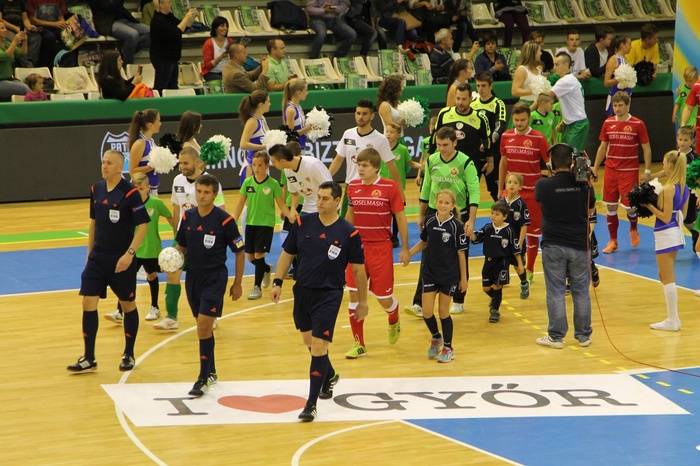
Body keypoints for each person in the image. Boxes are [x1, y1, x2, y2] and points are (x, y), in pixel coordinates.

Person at [270, 181, 367, 422]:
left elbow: (358, 270)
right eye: (318, 197)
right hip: (302, 292)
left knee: (319, 346)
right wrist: (277, 282)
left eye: (325, 198)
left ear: (337, 201)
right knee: (310, 342)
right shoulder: (303, 223)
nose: (319, 202)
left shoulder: (349, 232)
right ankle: (330, 374)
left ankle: (311, 404)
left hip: (329, 294)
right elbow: (287, 254)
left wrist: (362, 301)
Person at [67, 150, 149, 373]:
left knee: (127, 304)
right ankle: (89, 357)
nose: (104, 166)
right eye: (103, 162)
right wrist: (89, 252)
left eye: (109, 163)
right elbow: (93, 222)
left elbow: (143, 226)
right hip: (98, 258)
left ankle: (129, 354)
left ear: (120, 167)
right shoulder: (96, 189)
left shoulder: (130, 193)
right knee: (88, 302)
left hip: (121, 259)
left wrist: (129, 254)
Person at [175, 173, 245, 396]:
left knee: (204, 326)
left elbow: (240, 252)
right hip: (192, 278)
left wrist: (238, 283)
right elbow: (181, 247)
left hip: (214, 278)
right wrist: (171, 260)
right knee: (202, 327)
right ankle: (211, 370)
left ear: (215, 195)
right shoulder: (188, 217)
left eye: (206, 192)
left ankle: (202, 379)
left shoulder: (225, 221)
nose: (202, 196)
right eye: (199, 191)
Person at [342, 148, 409, 358]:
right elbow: (349, 217)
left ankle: (393, 315)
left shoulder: (390, 187)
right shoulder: (353, 187)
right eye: (359, 165)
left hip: (381, 249)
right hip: (357, 249)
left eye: (365, 165)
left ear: (376, 167)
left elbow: (400, 218)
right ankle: (359, 344)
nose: (360, 169)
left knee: (383, 298)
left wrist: (405, 248)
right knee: (354, 295)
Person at [150, 147, 226, 331]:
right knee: (172, 272)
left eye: (185, 163)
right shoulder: (177, 180)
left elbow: (221, 210)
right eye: (180, 163)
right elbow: (176, 208)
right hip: (184, 236)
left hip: (204, 238)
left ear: (196, 162)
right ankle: (171, 318)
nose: (182, 166)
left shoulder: (209, 182)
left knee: (203, 277)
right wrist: (176, 236)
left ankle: (209, 314)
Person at [534, 143, 595, 349]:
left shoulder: (543, 185)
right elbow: (591, 207)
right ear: (572, 162)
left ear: (551, 163)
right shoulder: (584, 185)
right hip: (579, 245)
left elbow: (538, 198)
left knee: (556, 291)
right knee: (581, 292)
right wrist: (586, 178)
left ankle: (556, 337)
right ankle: (584, 336)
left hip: (553, 245)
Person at [419, 126, 480, 315]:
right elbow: (426, 186)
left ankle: (459, 298)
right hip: (433, 211)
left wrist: (471, 220)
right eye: (438, 144)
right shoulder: (432, 160)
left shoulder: (466, 162)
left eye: (445, 145)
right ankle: (420, 301)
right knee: (428, 255)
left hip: (457, 213)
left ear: (455, 142)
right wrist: (421, 214)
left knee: (459, 253)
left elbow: (474, 191)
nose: (441, 148)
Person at [405, 188, 468, 363]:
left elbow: (461, 254)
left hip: (449, 275)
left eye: (446, 203)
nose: (443, 205)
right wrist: (409, 254)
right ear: (436, 203)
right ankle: (436, 337)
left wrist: (463, 279)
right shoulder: (430, 221)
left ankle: (448, 348)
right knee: (426, 312)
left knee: (443, 312)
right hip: (430, 272)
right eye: (440, 202)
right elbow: (424, 242)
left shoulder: (457, 226)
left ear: (452, 205)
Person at [591, 91, 651, 254]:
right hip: (611, 170)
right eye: (615, 105)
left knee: (630, 207)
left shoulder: (638, 124)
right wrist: (595, 167)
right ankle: (613, 241)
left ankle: (633, 228)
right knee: (611, 206)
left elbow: (646, 148)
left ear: (628, 105)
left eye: (620, 105)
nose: (617, 109)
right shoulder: (608, 123)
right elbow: (603, 147)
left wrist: (647, 171)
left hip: (629, 171)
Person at [498, 103, 550, 284]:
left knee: (532, 233)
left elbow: (549, 163)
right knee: (505, 230)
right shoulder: (506, 136)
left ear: (529, 118)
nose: (519, 123)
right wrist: (500, 188)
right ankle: (503, 270)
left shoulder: (539, 138)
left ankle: (530, 269)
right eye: (516, 120)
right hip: (510, 193)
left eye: (522, 120)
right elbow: (503, 162)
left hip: (533, 193)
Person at [231, 150, 292, 300]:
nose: (256, 168)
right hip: (250, 223)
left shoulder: (273, 184)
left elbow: (281, 204)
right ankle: (266, 269)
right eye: (254, 165)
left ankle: (256, 287)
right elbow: (240, 203)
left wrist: (289, 215)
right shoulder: (247, 183)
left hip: (266, 224)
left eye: (259, 165)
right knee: (251, 257)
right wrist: (234, 219)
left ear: (267, 165)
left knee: (259, 254)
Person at [329, 98, 405, 217]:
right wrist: (326, 177)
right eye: (358, 113)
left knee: (370, 221)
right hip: (351, 187)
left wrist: (400, 192)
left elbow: (392, 166)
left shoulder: (380, 139)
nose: (361, 117)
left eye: (364, 114)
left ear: (372, 116)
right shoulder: (348, 134)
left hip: (372, 188)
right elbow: (338, 159)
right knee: (345, 222)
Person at [643, 151, 689, 331]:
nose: (663, 166)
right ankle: (673, 319)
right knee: (663, 275)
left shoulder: (669, 188)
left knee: (668, 277)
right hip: (675, 232)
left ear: (670, 165)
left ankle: (673, 320)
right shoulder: (684, 187)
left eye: (663, 163)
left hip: (666, 233)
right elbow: (683, 214)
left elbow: (665, 216)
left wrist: (648, 205)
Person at [130, 172, 177, 321]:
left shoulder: (156, 203)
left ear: (148, 188)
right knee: (127, 278)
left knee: (151, 275)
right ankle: (120, 310)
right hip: (135, 249)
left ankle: (155, 307)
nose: (138, 192)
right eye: (135, 189)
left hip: (151, 249)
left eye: (141, 189)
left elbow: (170, 217)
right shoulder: (129, 204)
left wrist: (178, 236)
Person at [471, 200, 523, 323]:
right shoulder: (488, 228)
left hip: (502, 262)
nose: (493, 216)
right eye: (492, 213)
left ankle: (495, 310)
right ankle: (496, 299)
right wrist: (469, 233)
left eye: (497, 214)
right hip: (489, 261)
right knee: (486, 287)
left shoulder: (509, 231)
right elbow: (476, 237)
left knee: (498, 285)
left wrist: (520, 264)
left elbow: (515, 249)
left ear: (504, 216)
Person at [431, 83, 492, 185]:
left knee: (470, 193)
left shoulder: (480, 118)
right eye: (458, 98)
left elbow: (487, 141)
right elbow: (434, 137)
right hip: (447, 165)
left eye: (464, 99)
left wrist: (490, 162)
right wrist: (428, 158)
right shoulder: (444, 113)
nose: (460, 102)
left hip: (470, 165)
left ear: (471, 99)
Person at [651, 126, 699, 248]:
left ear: (692, 141)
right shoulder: (675, 155)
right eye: (680, 139)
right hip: (677, 191)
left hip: (690, 192)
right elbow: (667, 171)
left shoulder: (693, 158)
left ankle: (696, 235)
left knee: (688, 220)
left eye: (686, 140)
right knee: (679, 216)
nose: (682, 143)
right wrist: (652, 176)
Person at [270, 143, 333, 217]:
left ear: (282, 161)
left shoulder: (312, 165)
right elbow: (295, 193)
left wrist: (326, 208)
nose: (272, 165)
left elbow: (331, 188)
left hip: (327, 207)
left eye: (273, 162)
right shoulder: (287, 171)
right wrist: (293, 209)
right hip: (308, 208)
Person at [472, 72, 507, 202]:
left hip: (493, 153)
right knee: (470, 189)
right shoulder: (473, 104)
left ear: (491, 86)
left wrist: (490, 141)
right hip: (476, 154)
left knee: (496, 189)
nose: (480, 89)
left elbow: (500, 125)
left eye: (483, 86)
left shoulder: (498, 104)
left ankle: (504, 212)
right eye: (478, 86)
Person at [149, 0, 197, 94]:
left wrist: (191, 17)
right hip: (163, 58)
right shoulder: (158, 20)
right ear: (161, 5)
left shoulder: (169, 16)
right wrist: (186, 18)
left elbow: (183, 26)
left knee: (173, 87)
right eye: (168, 2)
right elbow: (175, 33)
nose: (171, 4)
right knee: (161, 87)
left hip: (172, 58)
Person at [549, 52, 589, 153]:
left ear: (566, 65)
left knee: (572, 156)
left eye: (557, 64)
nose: (554, 68)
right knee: (565, 155)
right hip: (569, 123)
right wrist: (563, 122)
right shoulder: (570, 79)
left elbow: (548, 95)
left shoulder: (566, 81)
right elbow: (573, 105)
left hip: (577, 124)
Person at [88, 0, 150, 65]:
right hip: (107, 23)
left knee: (150, 32)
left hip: (124, 19)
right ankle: (127, 65)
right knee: (133, 34)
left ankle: (124, 50)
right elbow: (110, 7)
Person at [500, 172, 530, 298]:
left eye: (515, 183)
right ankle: (497, 296)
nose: (512, 185)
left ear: (520, 187)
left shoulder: (521, 204)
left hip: (516, 241)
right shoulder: (501, 202)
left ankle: (524, 283)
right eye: (509, 182)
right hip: (502, 242)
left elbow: (524, 225)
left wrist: (520, 242)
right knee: (500, 266)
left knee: (518, 266)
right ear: (505, 185)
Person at [239, 90, 270, 183]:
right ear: (261, 104)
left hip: (263, 164)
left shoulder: (262, 118)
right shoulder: (252, 121)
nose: (270, 104)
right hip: (252, 166)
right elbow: (243, 144)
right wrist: (264, 147)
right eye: (268, 101)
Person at [127, 109, 161, 195]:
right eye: (158, 121)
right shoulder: (140, 143)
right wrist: (152, 166)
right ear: (150, 125)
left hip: (152, 187)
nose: (160, 124)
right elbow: (132, 171)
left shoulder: (151, 141)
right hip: (141, 190)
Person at [26, 0, 66, 68]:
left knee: (68, 36)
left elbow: (61, 18)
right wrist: (53, 24)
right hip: (38, 27)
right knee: (50, 37)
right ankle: (43, 65)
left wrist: (64, 24)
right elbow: (33, 20)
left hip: (55, 26)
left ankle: (67, 62)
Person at [0, 0, 41, 66]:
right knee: (17, 41)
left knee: (36, 38)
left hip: (20, 27)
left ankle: (29, 61)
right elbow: (0, 20)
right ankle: (27, 65)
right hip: (7, 28)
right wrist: (15, 28)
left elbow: (25, 18)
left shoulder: (21, 2)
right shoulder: (1, 2)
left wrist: (29, 26)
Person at [603, 34, 632, 117]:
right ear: (622, 45)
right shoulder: (613, 60)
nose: (631, 47)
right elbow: (606, 82)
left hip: (626, 96)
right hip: (616, 97)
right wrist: (619, 79)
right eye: (629, 44)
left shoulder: (625, 59)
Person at [200, 16, 233, 83]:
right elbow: (208, 66)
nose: (225, 28)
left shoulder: (230, 41)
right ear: (215, 28)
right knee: (223, 82)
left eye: (226, 26)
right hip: (212, 72)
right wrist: (221, 57)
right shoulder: (208, 43)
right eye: (222, 26)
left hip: (227, 71)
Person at [0, 22, 28, 100]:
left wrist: (25, 41)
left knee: (30, 88)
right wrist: (15, 41)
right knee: (25, 89)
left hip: (9, 79)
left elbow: (22, 53)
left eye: (5, 28)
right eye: (2, 28)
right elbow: (6, 56)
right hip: (1, 81)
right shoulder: (11, 44)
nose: (5, 30)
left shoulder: (6, 43)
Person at [511, 41, 542, 107]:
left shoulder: (538, 70)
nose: (541, 53)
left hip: (538, 104)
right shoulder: (522, 70)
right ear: (533, 53)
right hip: (526, 104)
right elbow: (514, 91)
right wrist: (532, 91)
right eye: (539, 51)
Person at [282, 78, 312, 148]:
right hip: (294, 149)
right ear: (299, 93)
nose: (307, 93)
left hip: (301, 145)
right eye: (306, 90)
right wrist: (307, 128)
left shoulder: (298, 106)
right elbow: (291, 134)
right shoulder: (291, 110)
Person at [673, 66, 698, 131]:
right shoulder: (682, 89)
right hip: (683, 122)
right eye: (686, 80)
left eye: (690, 81)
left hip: (693, 122)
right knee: (682, 136)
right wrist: (674, 114)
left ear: (696, 79)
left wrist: (697, 122)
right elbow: (677, 103)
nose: (688, 83)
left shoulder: (698, 91)